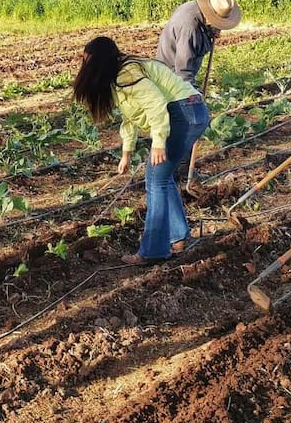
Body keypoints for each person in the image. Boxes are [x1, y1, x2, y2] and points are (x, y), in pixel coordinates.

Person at [74, 36, 210, 264]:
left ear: (101, 61)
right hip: (193, 111)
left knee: (155, 180)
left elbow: (156, 104)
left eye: (88, 61)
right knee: (162, 178)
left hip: (183, 112)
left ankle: (154, 251)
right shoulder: (122, 75)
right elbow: (132, 117)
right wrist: (126, 153)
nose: (85, 66)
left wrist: (158, 142)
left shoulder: (127, 74)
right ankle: (178, 236)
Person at [155, 0, 242, 89]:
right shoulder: (190, 29)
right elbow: (183, 72)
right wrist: (194, 95)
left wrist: (213, 30)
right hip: (170, 75)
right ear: (210, 16)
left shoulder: (195, 8)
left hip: (177, 70)